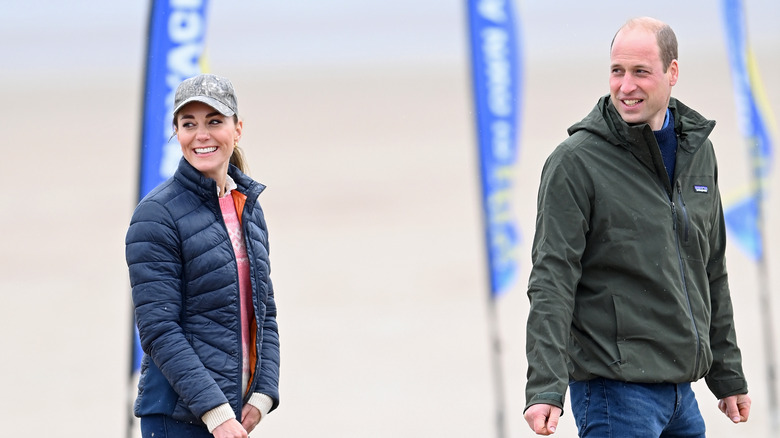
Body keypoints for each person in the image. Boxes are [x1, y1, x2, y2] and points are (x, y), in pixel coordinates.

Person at [523, 17, 751, 437]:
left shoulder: (698, 153)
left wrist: (727, 373)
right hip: (615, 394)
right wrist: (545, 388)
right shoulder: (575, 162)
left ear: (672, 72)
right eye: (617, 71)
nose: (626, 86)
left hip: (682, 395)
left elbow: (711, 270)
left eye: (640, 72)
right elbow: (552, 279)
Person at [126, 74, 280, 438]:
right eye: (189, 124)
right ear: (177, 132)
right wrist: (216, 413)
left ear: (237, 129)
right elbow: (159, 329)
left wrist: (262, 393)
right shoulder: (156, 215)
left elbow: (265, 309)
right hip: (177, 419)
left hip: (234, 414)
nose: (202, 134)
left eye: (214, 121)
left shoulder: (247, 207)